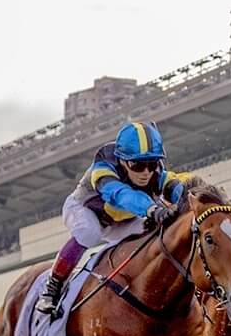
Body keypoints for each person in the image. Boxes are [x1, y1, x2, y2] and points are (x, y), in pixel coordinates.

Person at [35, 120, 194, 316]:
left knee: (152, 234)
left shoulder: (156, 172)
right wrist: (152, 209)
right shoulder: (104, 164)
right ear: (122, 160)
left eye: (151, 164)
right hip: (85, 210)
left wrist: (194, 199)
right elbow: (120, 194)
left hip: (122, 221)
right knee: (89, 233)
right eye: (137, 165)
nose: (146, 173)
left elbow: (176, 187)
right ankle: (53, 287)